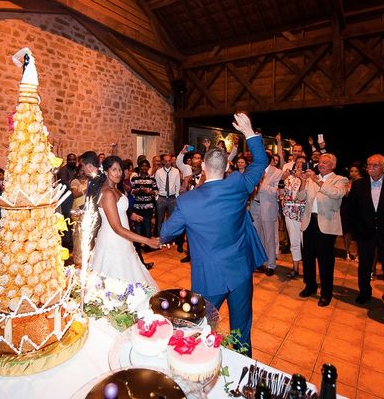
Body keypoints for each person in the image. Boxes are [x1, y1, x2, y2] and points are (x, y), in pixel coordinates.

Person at [159, 113, 266, 353]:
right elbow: (260, 163)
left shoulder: (187, 202)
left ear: (204, 167)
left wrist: (165, 237)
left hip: (210, 277)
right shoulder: (238, 183)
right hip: (240, 273)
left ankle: (201, 368)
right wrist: (249, 133)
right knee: (241, 331)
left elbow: (166, 232)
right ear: (228, 166)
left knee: (201, 328)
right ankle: (240, 374)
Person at [89, 156, 161, 287]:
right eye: (114, 170)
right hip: (113, 238)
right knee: (117, 279)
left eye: (120, 170)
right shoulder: (107, 193)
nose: (118, 173)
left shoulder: (115, 188)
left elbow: (117, 209)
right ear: (105, 172)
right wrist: (147, 240)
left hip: (122, 238)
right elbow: (117, 228)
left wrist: (131, 215)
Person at [347, 154, 384, 314]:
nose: (370, 168)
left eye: (374, 165)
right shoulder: (358, 185)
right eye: (368, 165)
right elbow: (351, 209)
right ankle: (364, 293)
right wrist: (355, 230)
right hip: (365, 232)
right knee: (364, 266)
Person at [296, 153, 348, 307]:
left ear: (333, 165)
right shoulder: (311, 178)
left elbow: (337, 193)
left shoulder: (340, 179)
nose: (321, 164)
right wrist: (304, 182)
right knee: (308, 257)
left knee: (325, 260)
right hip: (309, 221)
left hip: (326, 223)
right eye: (320, 162)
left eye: (325, 162)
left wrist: (316, 180)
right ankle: (310, 286)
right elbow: (299, 198)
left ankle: (326, 293)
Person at [250, 152, 282, 276]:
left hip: (268, 206)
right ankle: (260, 262)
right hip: (254, 205)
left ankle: (270, 264)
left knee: (269, 237)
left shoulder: (277, 172)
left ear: (268, 160)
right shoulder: (255, 170)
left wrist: (261, 185)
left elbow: (276, 191)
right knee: (257, 236)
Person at [280, 157, 308, 279]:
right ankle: (295, 267)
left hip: (304, 213)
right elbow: (280, 186)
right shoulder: (288, 177)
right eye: (297, 162)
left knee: (306, 242)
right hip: (290, 212)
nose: (299, 165)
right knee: (294, 241)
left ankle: (308, 269)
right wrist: (281, 197)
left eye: (302, 163)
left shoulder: (309, 177)